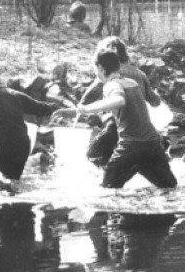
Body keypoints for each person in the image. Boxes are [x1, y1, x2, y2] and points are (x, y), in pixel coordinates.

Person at [59, 50, 176, 189]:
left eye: (95, 69)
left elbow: (119, 100)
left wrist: (87, 109)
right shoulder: (131, 82)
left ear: (101, 68)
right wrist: (72, 112)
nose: (96, 73)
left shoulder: (111, 85)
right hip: (153, 144)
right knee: (169, 187)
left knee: (106, 190)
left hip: (131, 146)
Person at [80, 36, 162, 167]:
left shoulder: (108, 74)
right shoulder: (140, 74)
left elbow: (87, 99)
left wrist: (82, 112)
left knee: (93, 156)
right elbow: (155, 102)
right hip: (142, 131)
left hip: (115, 127)